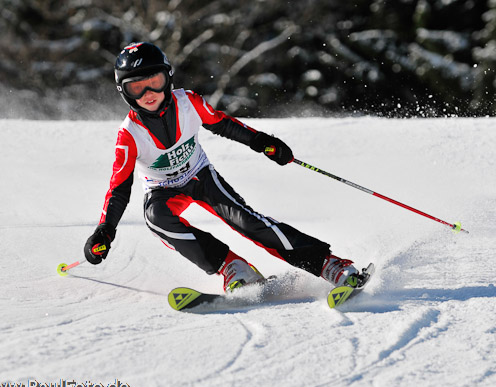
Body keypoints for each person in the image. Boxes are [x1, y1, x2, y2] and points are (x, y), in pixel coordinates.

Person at [84, 42, 362, 292]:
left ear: (167, 78)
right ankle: (233, 268)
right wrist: (105, 230)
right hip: (163, 189)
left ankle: (328, 264)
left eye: (154, 81)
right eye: (137, 87)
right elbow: (119, 188)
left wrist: (262, 142)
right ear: (125, 91)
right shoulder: (129, 134)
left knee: (246, 221)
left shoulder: (188, 102)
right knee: (155, 217)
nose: (148, 93)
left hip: (200, 176)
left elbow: (223, 124)